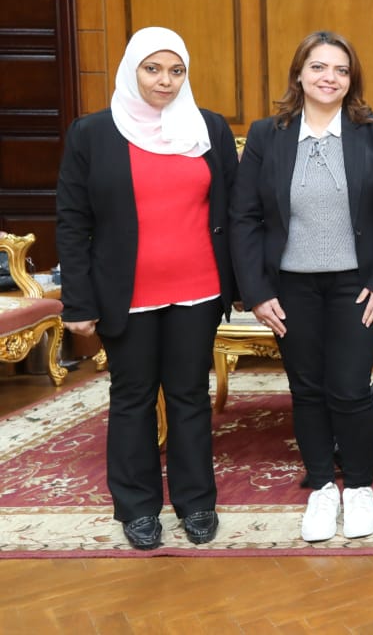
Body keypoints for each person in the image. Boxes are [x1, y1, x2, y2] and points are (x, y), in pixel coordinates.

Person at [56, 27, 238, 550]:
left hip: (198, 289)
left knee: (189, 396)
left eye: (176, 71)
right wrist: (78, 301)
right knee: (132, 397)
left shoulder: (208, 128)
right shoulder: (93, 133)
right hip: (126, 293)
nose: (165, 81)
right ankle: (137, 508)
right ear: (131, 70)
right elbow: (72, 222)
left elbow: (233, 209)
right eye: (153, 69)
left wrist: (243, 284)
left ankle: (196, 502)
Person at [230, 31, 373, 542]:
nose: (329, 77)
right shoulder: (267, 135)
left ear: (351, 80)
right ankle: (322, 489)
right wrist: (256, 292)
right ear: (299, 74)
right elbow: (243, 216)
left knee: (350, 388)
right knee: (306, 390)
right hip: (289, 287)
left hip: (358, 286)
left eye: (340, 69)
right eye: (318, 67)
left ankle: (359, 487)